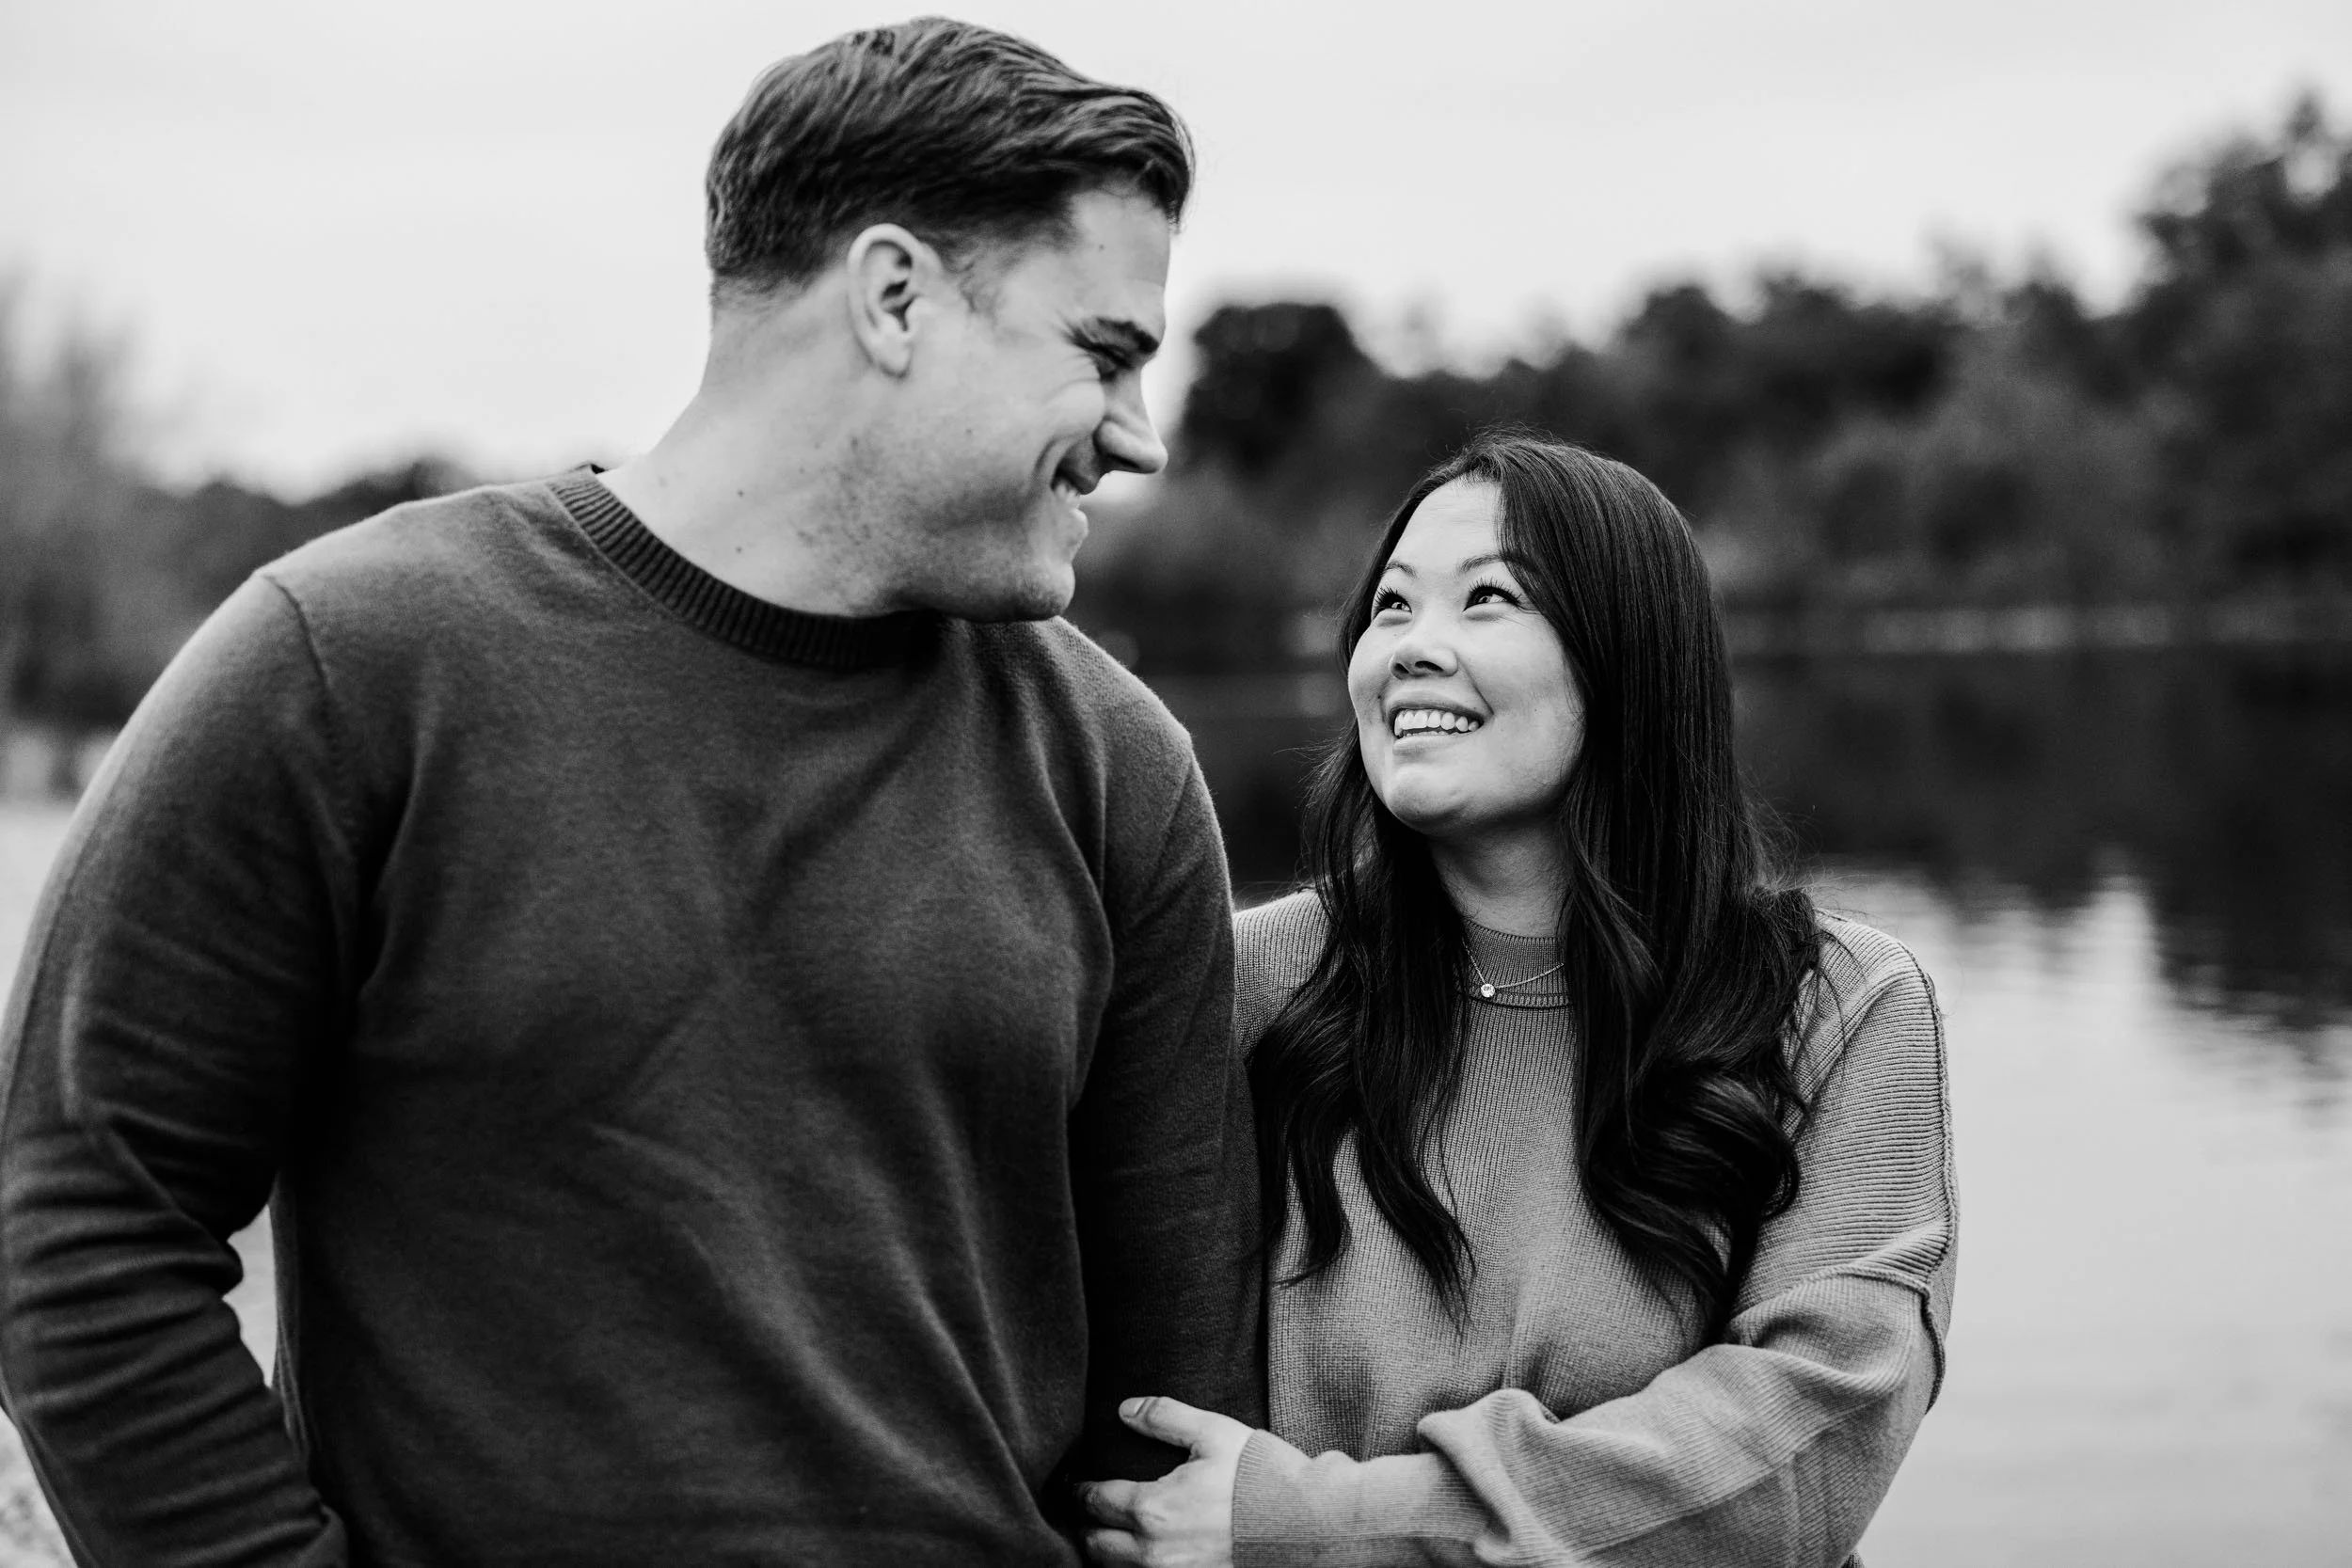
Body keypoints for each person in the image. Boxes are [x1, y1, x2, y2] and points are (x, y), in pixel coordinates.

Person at [0, 19, 1260, 1566]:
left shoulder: (1120, 771)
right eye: (1106, 353)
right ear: (893, 298)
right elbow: (78, 1217)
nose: (1139, 438)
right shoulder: (350, 666)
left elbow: (1173, 1419)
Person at [1079, 434, 1954, 1567]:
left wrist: (1332, 1527)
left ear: (1627, 658)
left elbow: (1813, 1434)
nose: (1412, 650)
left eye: (1486, 598)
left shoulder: (1836, 1006)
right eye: (1389, 608)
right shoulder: (1240, 982)